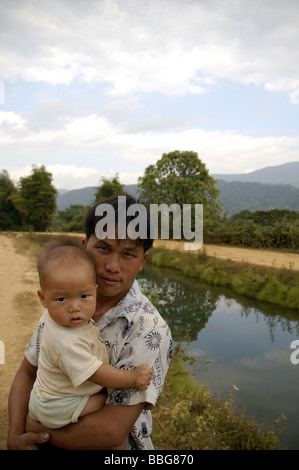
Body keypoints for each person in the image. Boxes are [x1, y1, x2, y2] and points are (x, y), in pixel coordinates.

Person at [7, 194, 172, 450]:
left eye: (128, 254)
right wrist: (15, 435)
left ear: (142, 262)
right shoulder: (66, 300)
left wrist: (35, 428)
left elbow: (110, 432)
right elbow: (28, 371)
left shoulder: (149, 330)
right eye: (103, 248)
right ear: (85, 245)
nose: (112, 266)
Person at [28, 241, 152, 439]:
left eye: (84, 296)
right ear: (43, 298)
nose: (74, 307)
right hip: (56, 405)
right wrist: (132, 378)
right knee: (103, 400)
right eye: (62, 299)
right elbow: (95, 372)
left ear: (94, 290)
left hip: (45, 397)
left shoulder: (57, 315)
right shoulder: (65, 341)